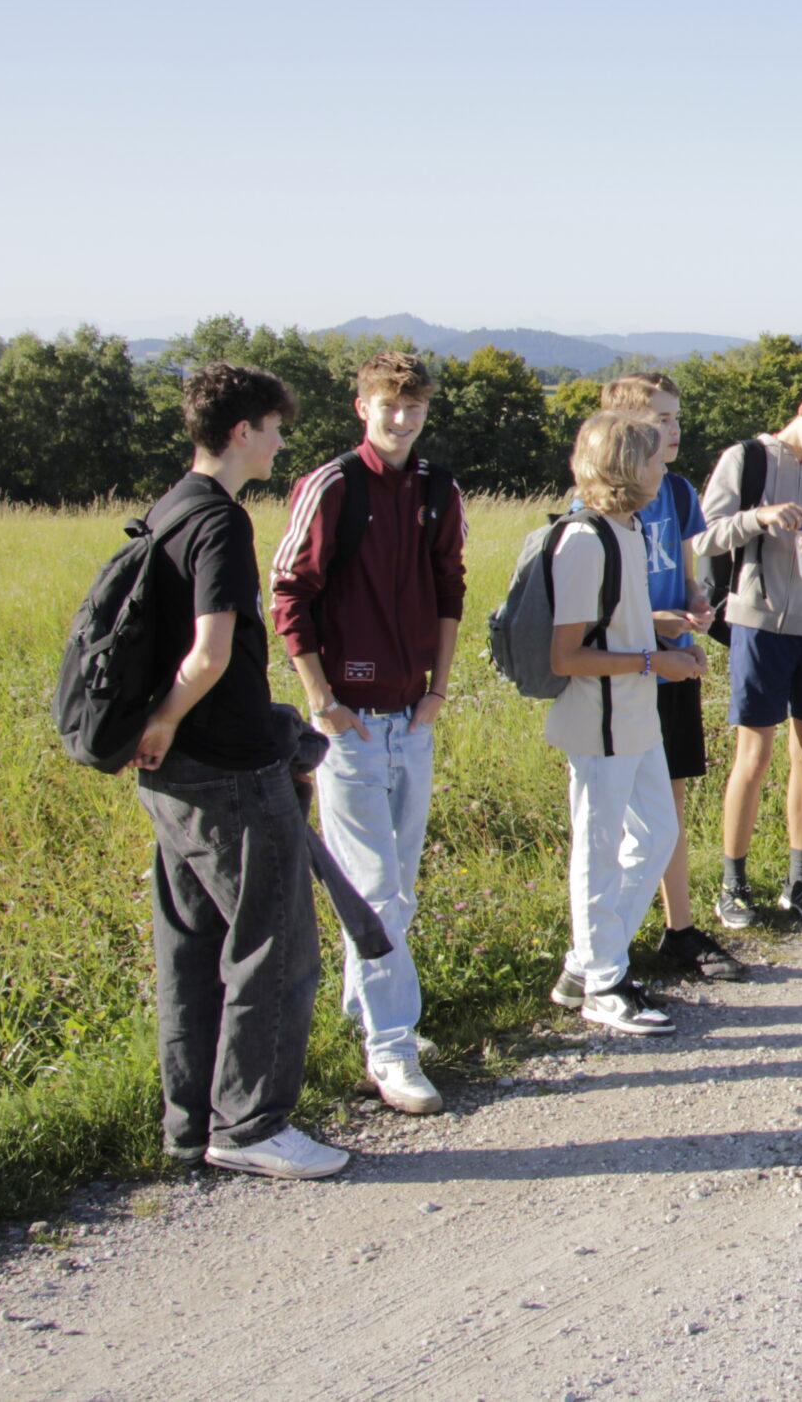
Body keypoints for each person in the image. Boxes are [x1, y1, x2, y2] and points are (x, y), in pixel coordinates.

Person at [133, 363, 351, 1179]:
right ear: (241, 431)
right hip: (228, 765)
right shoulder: (221, 520)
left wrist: (159, 730)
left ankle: (192, 1124)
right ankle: (252, 1123)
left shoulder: (169, 508)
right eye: (275, 427)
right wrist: (166, 716)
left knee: (192, 950)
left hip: (175, 776)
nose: (281, 442)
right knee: (276, 944)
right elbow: (211, 651)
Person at [270, 351, 466, 1118]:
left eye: (414, 407)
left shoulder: (438, 490)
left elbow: (450, 588)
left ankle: (370, 1011)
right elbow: (289, 591)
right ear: (362, 406)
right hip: (348, 724)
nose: (402, 419)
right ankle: (391, 1048)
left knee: (395, 891)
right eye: (389, 405)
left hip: (412, 716)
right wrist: (320, 698)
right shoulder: (332, 486)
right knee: (375, 891)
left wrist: (438, 690)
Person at [544, 410, 705, 1036]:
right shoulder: (584, 541)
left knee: (657, 835)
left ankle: (585, 965)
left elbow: (618, 620)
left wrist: (665, 631)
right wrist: (653, 660)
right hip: (600, 721)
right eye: (653, 458)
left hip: (636, 715)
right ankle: (604, 984)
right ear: (623, 467)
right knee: (598, 852)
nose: (664, 467)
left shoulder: (629, 528)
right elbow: (566, 655)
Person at [696, 381, 802, 925]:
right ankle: (733, 886)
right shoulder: (745, 459)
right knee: (754, 754)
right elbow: (704, 537)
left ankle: (800, 882)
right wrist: (760, 517)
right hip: (757, 621)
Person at [596, 373, 747, 982]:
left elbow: (685, 573)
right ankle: (604, 948)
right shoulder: (601, 498)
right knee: (616, 817)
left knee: (670, 805)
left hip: (674, 667)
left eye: (677, 417)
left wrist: (696, 606)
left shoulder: (678, 489)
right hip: (621, 671)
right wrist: (651, 624)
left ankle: (677, 930)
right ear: (626, 427)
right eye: (661, 419)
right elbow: (594, 602)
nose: (675, 429)